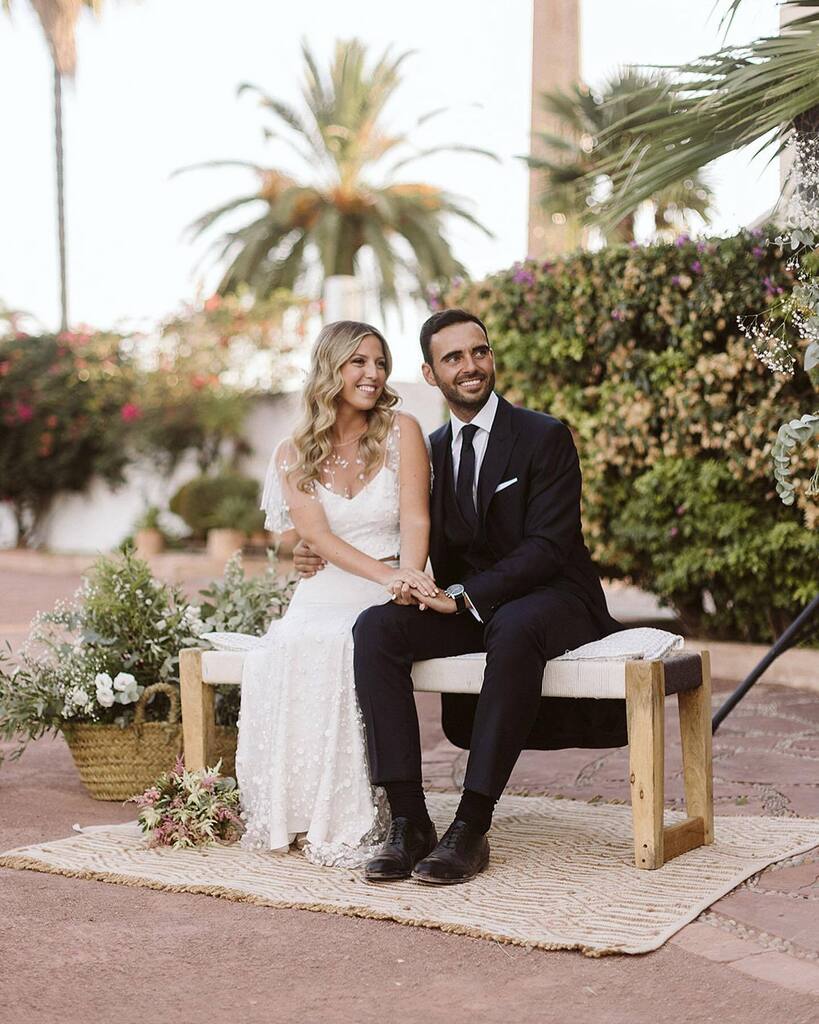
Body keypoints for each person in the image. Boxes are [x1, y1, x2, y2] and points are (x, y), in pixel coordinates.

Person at [293, 308, 625, 885]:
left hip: (554, 598)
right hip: (469, 604)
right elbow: (403, 528)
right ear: (429, 373)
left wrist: (465, 594)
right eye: (453, 358)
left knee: (516, 625)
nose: (470, 366)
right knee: (376, 628)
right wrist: (312, 550)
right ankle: (409, 820)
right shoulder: (433, 448)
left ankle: (471, 826)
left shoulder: (544, 435)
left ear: (491, 357)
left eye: (479, 352)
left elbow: (550, 545)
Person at [203, 320, 436, 867]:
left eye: (380, 362)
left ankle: (368, 813)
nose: (373, 374)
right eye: (359, 362)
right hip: (326, 589)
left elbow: (416, 518)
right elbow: (318, 538)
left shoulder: (402, 430)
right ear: (330, 368)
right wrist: (386, 577)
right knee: (294, 645)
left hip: (389, 589)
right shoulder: (294, 452)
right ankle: (303, 811)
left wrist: (405, 577)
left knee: (350, 642)